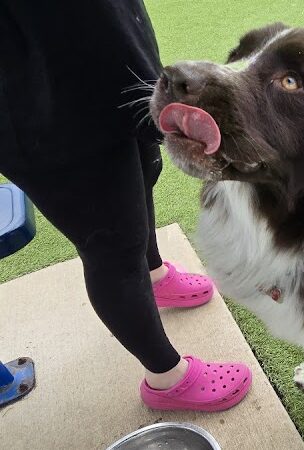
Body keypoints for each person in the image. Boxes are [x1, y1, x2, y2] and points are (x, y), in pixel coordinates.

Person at [0, 1, 252, 411]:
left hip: (108, 57)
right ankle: (166, 378)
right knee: (112, 246)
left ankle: (154, 275)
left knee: (143, 175)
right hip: (45, 100)